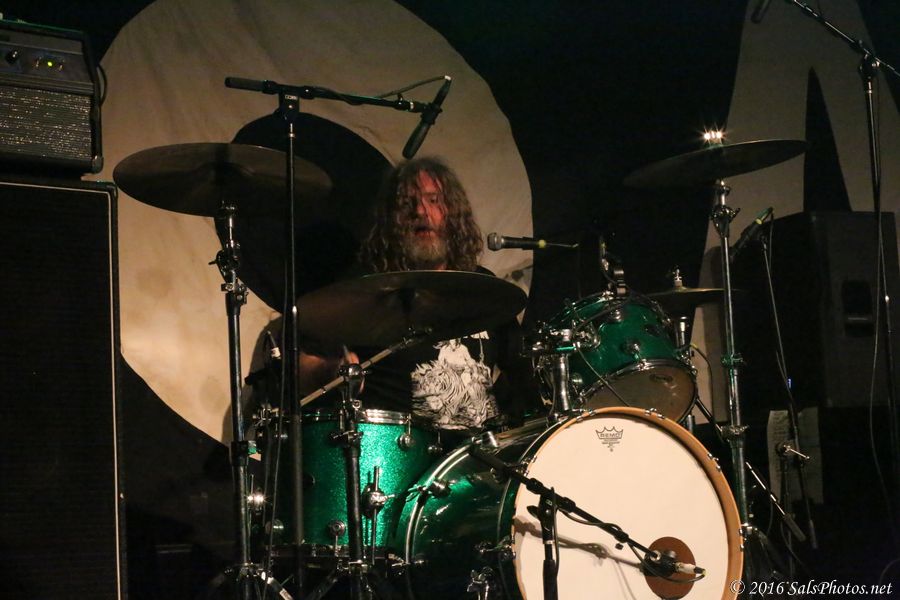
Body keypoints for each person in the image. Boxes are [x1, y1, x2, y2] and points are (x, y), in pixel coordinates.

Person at [299, 156, 538, 432]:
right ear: (390, 219)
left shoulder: (483, 286)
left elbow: (523, 370)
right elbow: (303, 367)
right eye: (406, 204)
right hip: (403, 450)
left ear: (453, 213)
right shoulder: (363, 288)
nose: (421, 211)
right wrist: (330, 370)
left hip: (485, 449)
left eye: (433, 200)